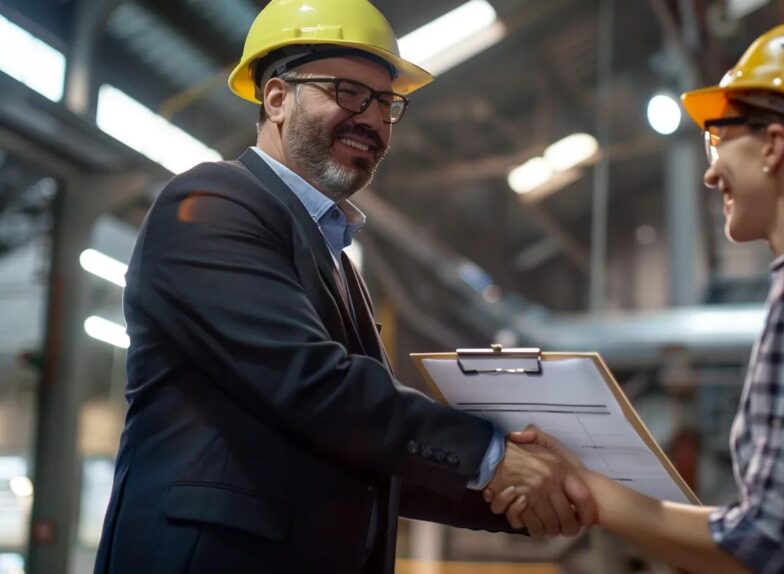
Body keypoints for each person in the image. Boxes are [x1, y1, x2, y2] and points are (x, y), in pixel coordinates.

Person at [93, 1, 594, 572]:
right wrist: (490, 454)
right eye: (348, 92)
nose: (374, 120)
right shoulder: (211, 204)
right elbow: (311, 385)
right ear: (277, 99)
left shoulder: (338, 264)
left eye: (386, 102)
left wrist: (523, 501)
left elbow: (361, 450)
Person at [488, 20, 784, 573]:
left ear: (774, 145)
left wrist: (581, 486)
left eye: (719, 138)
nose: (711, 173)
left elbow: (760, 546)